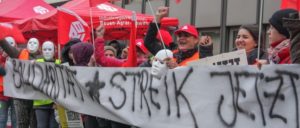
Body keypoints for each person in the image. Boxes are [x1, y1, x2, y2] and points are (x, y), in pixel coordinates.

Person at [144, 6, 212, 69]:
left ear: (196, 40)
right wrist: (158, 18)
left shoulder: (201, 56)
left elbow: (205, 75)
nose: (182, 38)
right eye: (179, 36)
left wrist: (177, 68)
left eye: (186, 35)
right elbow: (149, 42)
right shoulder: (170, 52)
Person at [0, 37, 40, 128]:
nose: (32, 45)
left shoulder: (40, 57)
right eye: (30, 42)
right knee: (3, 119)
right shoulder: (14, 55)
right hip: (5, 94)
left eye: (35, 43)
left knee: (22, 120)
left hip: (23, 95)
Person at [34, 41, 60, 128]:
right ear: (41, 51)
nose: (47, 51)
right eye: (45, 49)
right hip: (40, 103)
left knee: (54, 126)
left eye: (50, 49)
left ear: (54, 51)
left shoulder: (59, 64)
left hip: (56, 104)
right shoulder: (36, 63)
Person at [0, 37, 16, 128]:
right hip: (2, 94)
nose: (8, 46)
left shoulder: (19, 57)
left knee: (15, 118)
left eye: (11, 43)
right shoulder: (0, 57)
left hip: (15, 94)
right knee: (1, 118)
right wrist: (3, 58)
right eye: (7, 43)